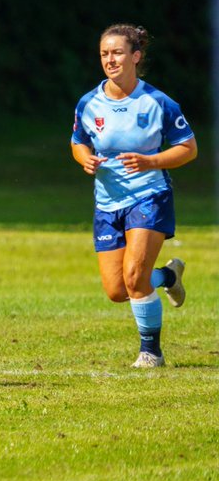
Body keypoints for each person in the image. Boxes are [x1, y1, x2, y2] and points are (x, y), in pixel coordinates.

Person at [70, 23, 196, 368]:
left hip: (149, 197)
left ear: (135, 56)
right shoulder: (89, 102)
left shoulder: (158, 102)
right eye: (104, 54)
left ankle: (150, 352)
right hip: (108, 202)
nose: (110, 60)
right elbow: (78, 140)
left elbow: (188, 148)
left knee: (135, 277)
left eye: (117, 53)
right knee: (117, 290)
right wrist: (85, 160)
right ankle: (168, 277)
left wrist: (151, 161)